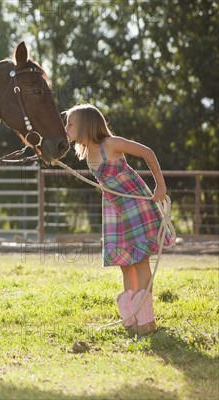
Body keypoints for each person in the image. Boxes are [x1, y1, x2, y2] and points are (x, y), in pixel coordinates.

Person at [64, 103, 175, 335]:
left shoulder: (111, 145)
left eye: (70, 123)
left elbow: (147, 152)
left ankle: (146, 319)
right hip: (115, 210)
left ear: (85, 125)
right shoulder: (87, 154)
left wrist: (161, 184)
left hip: (135, 204)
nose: (66, 127)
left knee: (139, 261)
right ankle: (131, 318)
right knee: (125, 264)